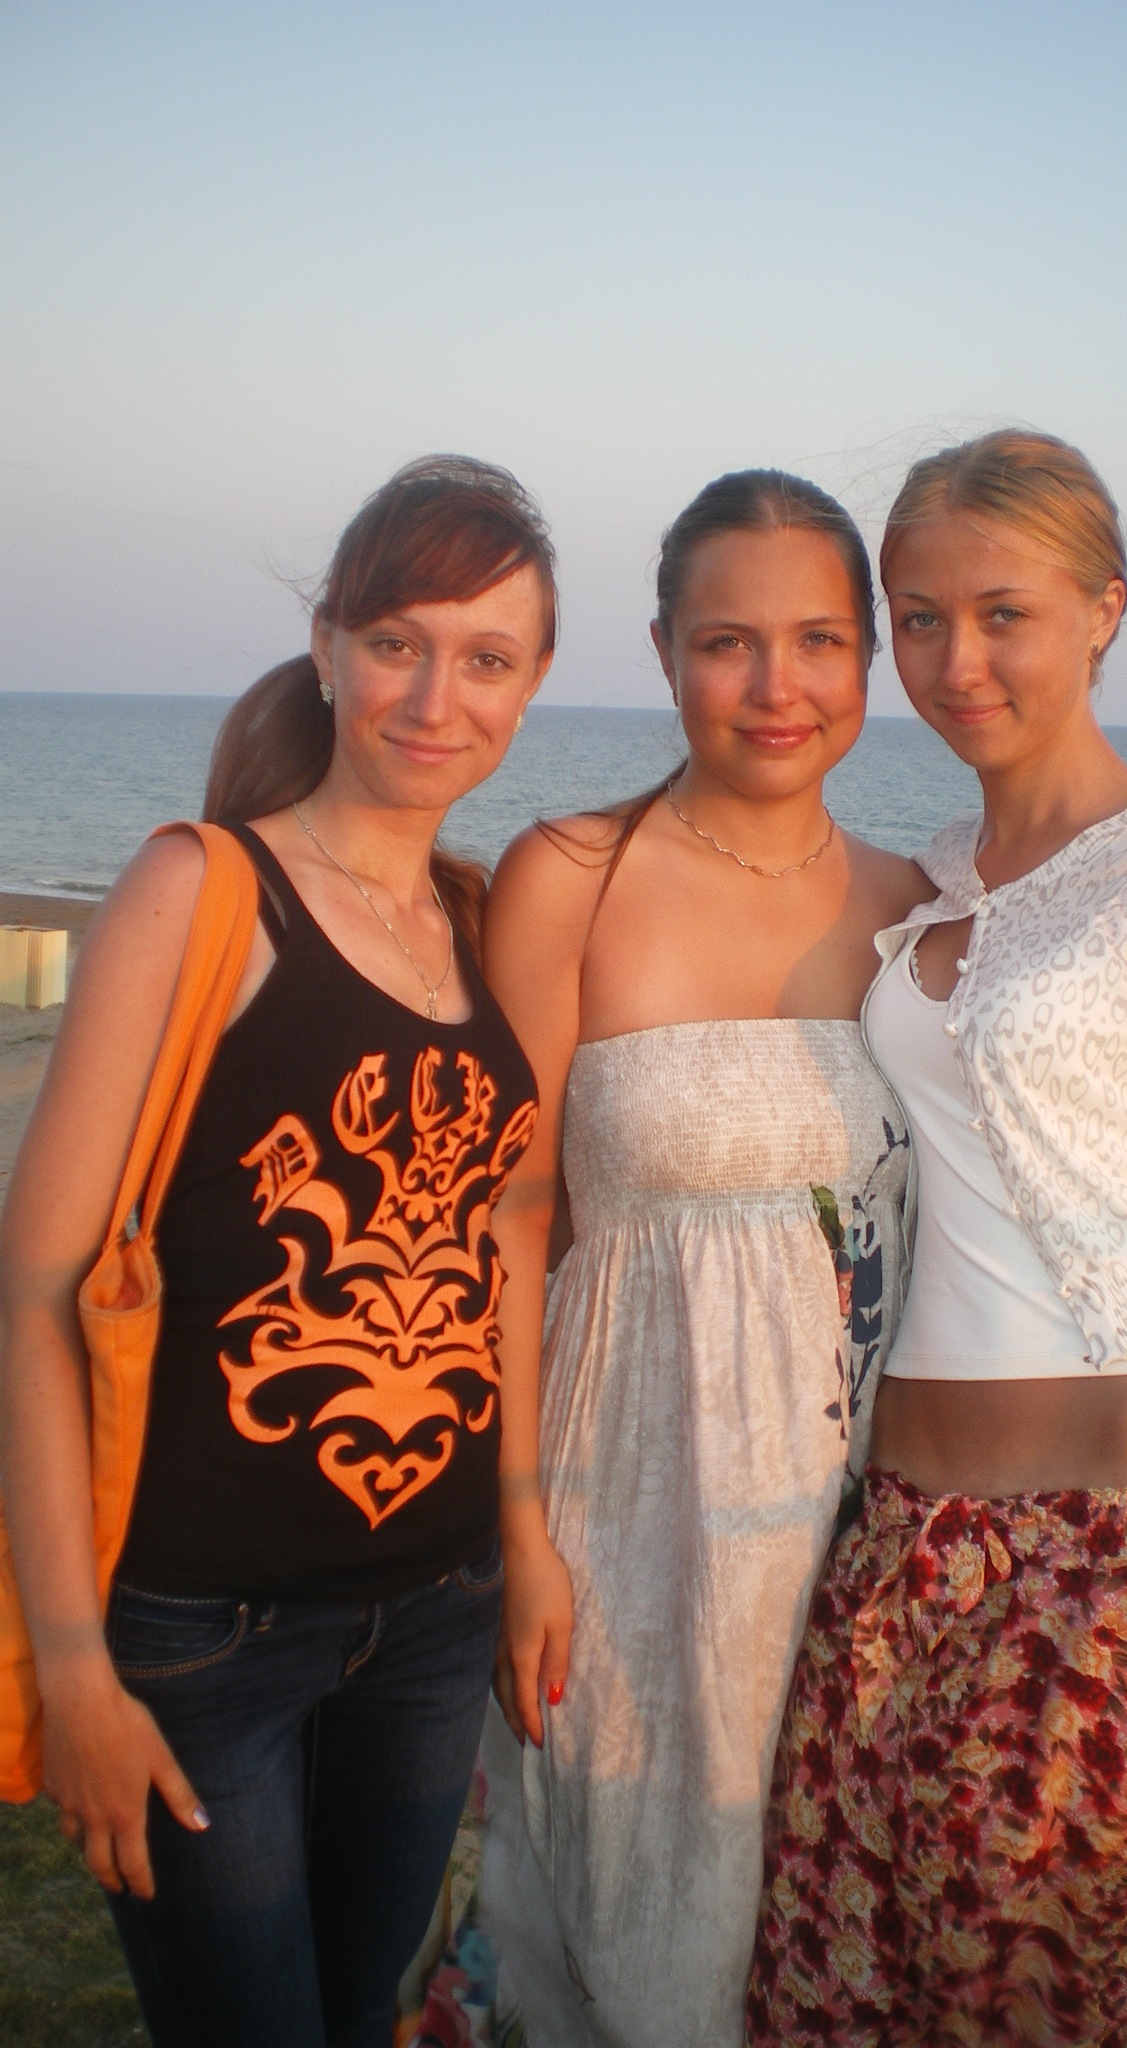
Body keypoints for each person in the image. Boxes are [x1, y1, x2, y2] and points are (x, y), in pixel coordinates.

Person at [747, 430, 1127, 2047]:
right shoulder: (934, 881)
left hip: (1119, 1548)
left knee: (1008, 2000)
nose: (958, 661)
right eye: (919, 619)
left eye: (1002, 612)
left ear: (1105, 611)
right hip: (898, 1535)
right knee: (823, 1982)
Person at [0, 456, 559, 2048]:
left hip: (438, 1609)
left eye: (488, 658)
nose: (436, 697)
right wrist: (74, 1666)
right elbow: (31, 1291)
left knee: (360, 2011)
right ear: (327, 646)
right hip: (203, 1635)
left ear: (530, 686)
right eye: (396, 642)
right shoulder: (204, 891)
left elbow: (501, 1242)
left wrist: (524, 1536)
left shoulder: (472, 923)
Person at [476, 470, 928, 2048]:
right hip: (621, 1500)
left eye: (818, 640)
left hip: (847, 1528)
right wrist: (519, 1531)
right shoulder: (570, 876)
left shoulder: (915, 910)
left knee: (806, 1928)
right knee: (615, 1900)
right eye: (729, 641)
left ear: (868, 658)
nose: (775, 684)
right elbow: (508, 1220)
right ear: (666, 651)